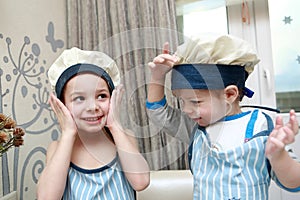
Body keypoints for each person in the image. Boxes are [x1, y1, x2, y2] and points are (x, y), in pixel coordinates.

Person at [146, 35, 300, 199]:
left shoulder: (262, 128)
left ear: (229, 94)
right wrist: (157, 77)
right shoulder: (195, 128)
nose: (186, 110)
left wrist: (278, 155)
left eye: (195, 102)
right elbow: (158, 112)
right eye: (182, 101)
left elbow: (294, 183)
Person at [37, 47, 149, 200]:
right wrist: (68, 133)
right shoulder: (58, 149)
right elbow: (47, 198)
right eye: (79, 98)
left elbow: (141, 182)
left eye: (101, 96)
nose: (93, 107)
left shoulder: (124, 139)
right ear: (61, 105)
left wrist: (114, 125)